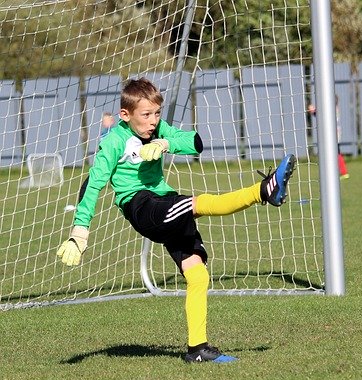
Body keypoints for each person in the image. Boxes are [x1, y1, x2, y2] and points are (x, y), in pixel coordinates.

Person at [57, 77, 296, 363]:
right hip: (140, 206)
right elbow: (93, 185)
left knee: (197, 274)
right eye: (145, 115)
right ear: (125, 115)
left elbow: (195, 143)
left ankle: (198, 349)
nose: (153, 121)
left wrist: (166, 142)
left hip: (164, 199)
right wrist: (79, 232)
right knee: (198, 204)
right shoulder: (113, 142)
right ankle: (263, 191)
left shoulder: (159, 129)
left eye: (157, 113)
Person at [307, 94, 349, 179]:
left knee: (334, 152)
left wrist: (313, 111)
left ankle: (342, 172)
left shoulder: (332, 109)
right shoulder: (332, 108)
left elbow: (322, 115)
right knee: (335, 152)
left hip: (333, 133)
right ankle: (340, 172)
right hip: (333, 132)